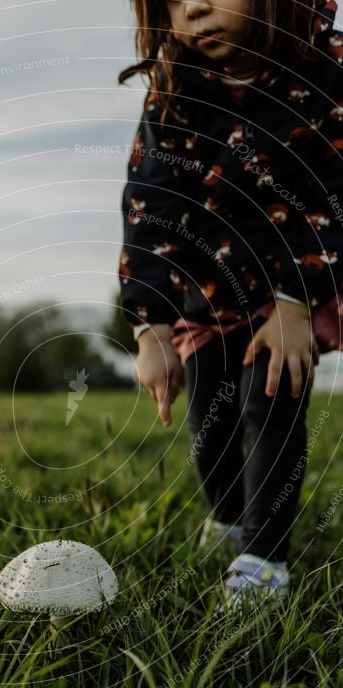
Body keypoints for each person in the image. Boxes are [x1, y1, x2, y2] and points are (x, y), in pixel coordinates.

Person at [118, 0, 343, 605]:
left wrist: (296, 303)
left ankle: (264, 559)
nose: (192, 6)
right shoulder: (173, 89)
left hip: (293, 281)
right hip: (207, 289)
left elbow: (333, 193)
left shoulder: (326, 72)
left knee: (269, 396)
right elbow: (150, 206)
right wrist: (152, 326)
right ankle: (229, 522)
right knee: (211, 417)